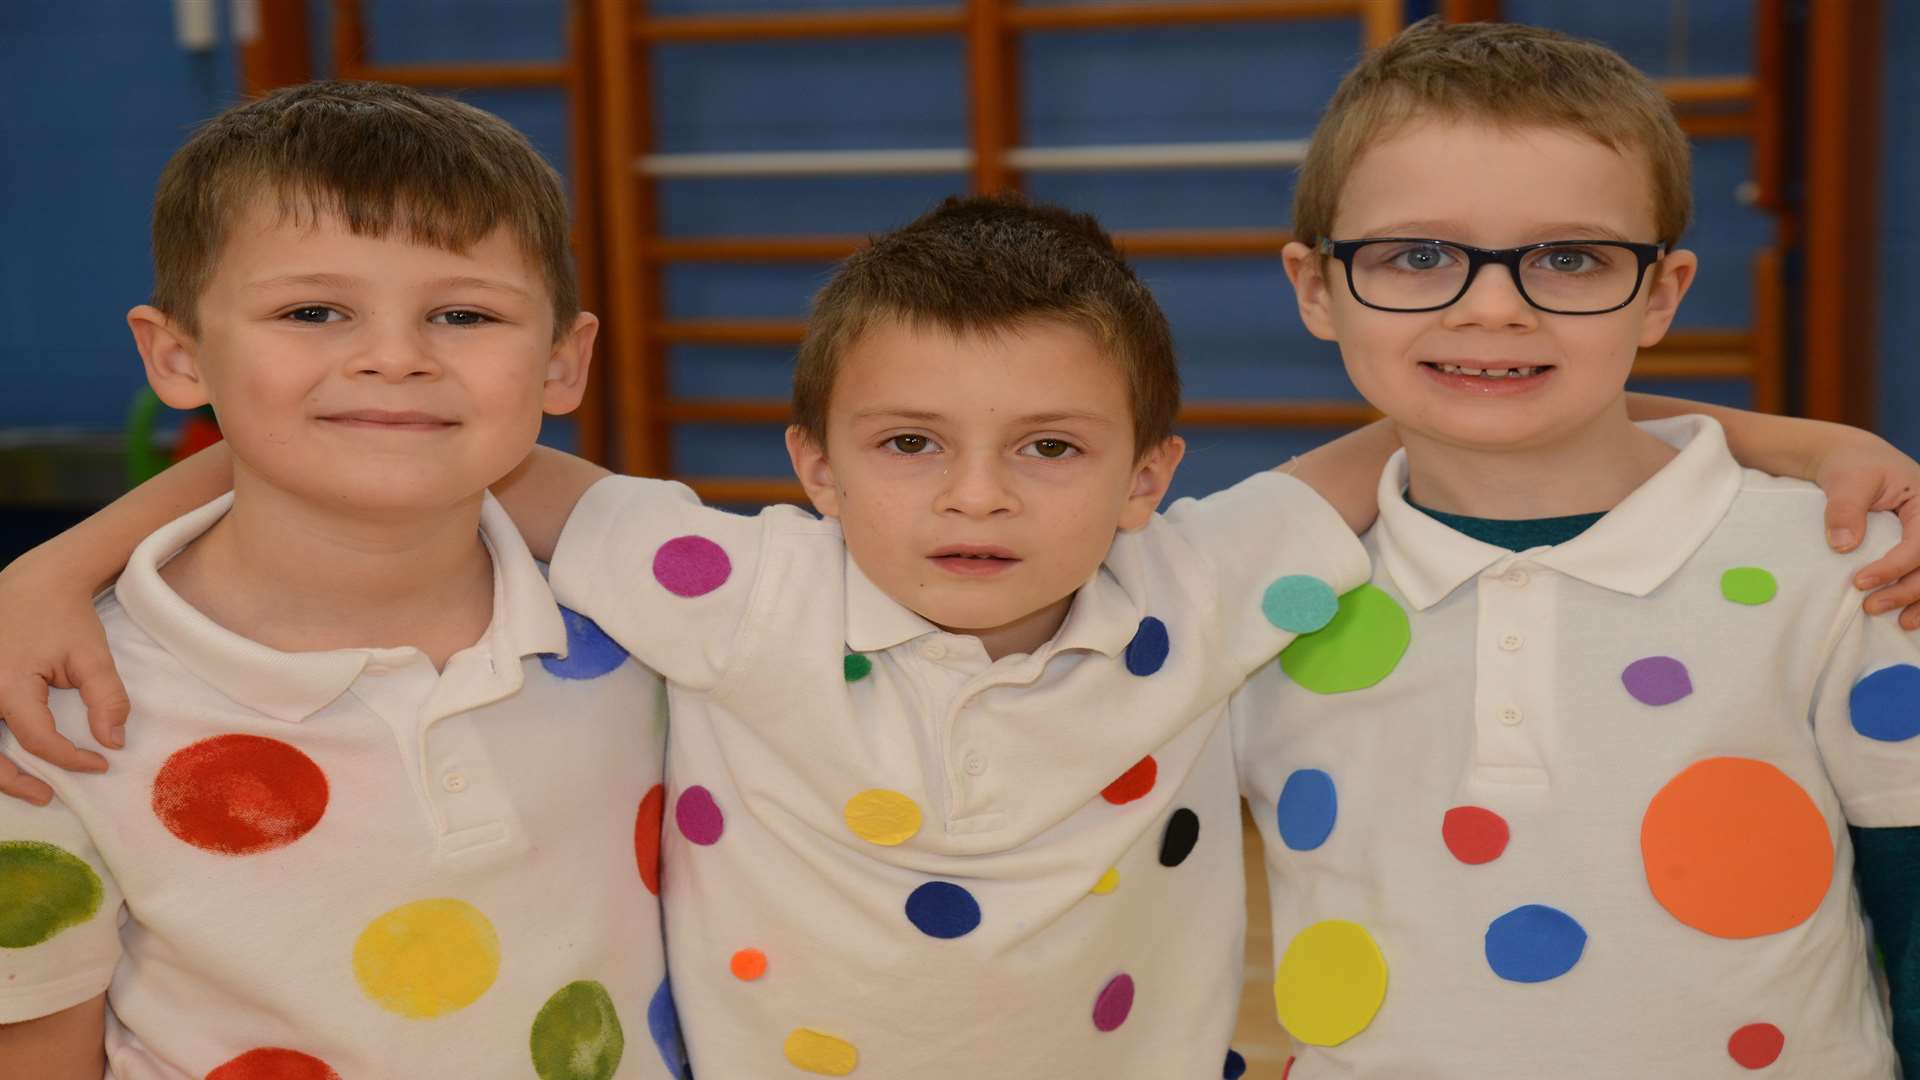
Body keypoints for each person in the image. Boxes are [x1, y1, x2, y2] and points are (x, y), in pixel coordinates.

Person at [4, 192, 1919, 1077]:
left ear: (1153, 473)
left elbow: (1460, 406)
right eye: (912, 447)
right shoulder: (725, 586)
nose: (981, 500)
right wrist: (65, 558)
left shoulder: (1203, 585)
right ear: (812, 467)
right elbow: (407, 437)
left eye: (1053, 451)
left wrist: (1780, 437)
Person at [1233, 18, 1920, 1077]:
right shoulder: (1251, 594)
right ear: (1316, 288)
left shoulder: (1846, 565)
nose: (1494, 309)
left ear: (1661, 292)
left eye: (1569, 258)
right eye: (1417, 256)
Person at [0, 82, 676, 1079]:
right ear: (178, 355)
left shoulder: (664, 623)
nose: (392, 358)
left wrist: (53, 557)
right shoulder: (55, 715)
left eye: (462, 313)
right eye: (312, 310)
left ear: (561, 364)